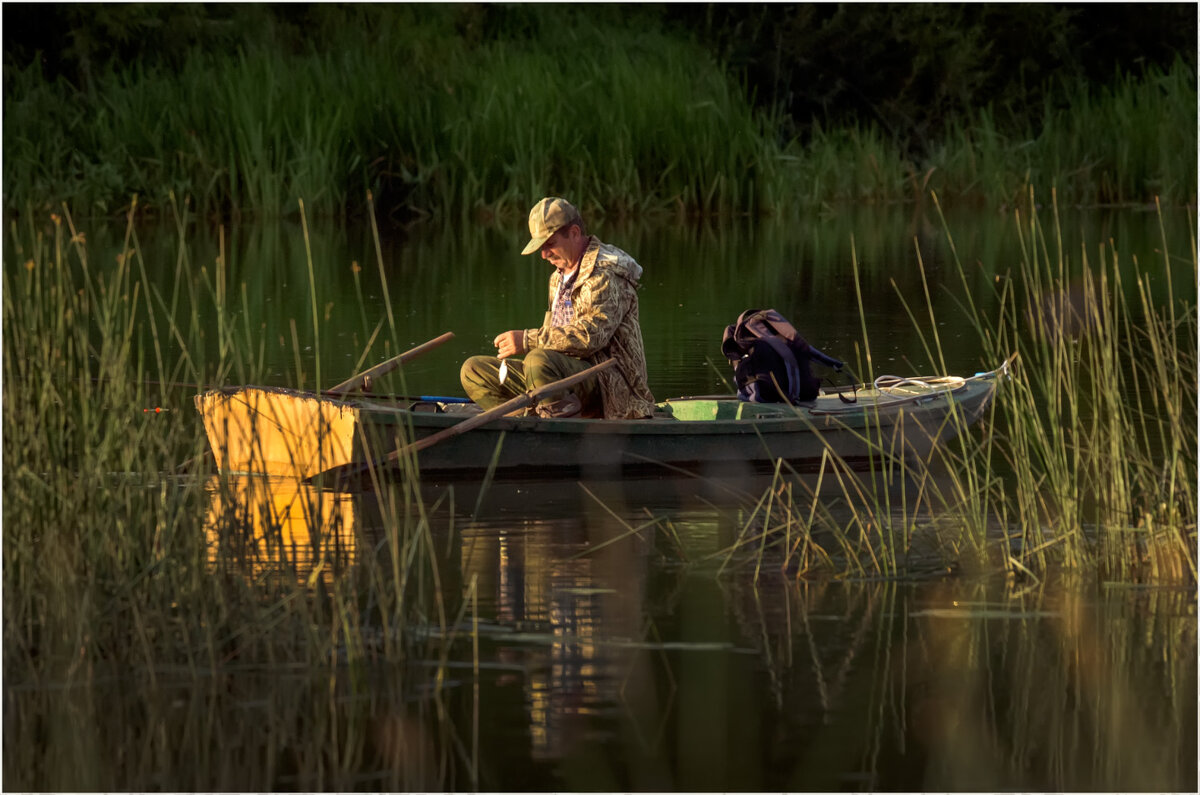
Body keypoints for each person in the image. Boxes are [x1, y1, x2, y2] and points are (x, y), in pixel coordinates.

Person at [460, 197, 655, 419]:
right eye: (541, 247)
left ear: (574, 233)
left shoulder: (605, 273)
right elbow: (555, 341)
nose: (544, 255)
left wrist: (526, 340)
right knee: (473, 370)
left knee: (537, 360)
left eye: (550, 244)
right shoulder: (558, 278)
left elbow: (591, 338)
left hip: (609, 386)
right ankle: (525, 421)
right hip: (564, 376)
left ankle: (553, 429)